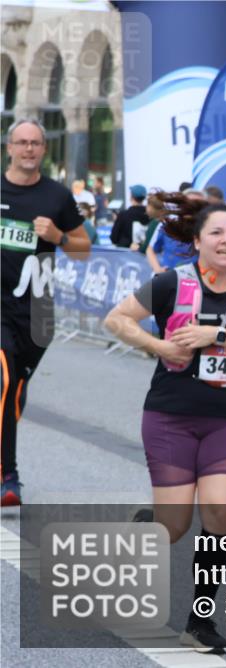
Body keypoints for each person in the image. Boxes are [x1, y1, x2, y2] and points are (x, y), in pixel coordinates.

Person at [103, 194, 226, 653]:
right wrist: (160, 346)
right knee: (174, 526)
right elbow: (116, 319)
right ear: (198, 241)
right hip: (171, 416)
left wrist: (215, 334)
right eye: (216, 232)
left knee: (219, 511)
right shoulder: (171, 282)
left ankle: (199, 622)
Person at [1, 119, 92, 505]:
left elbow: (83, 249)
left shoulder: (57, 196)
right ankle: (8, 477)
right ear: (9, 148)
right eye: (21, 142)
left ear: (43, 150)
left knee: (15, 392)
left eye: (35, 143)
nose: (28, 149)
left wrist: (58, 236)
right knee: (3, 382)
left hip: (38, 311)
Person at [146, 194, 197, 274]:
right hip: (170, 276)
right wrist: (158, 269)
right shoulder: (167, 223)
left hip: (195, 277)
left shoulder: (204, 226)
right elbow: (150, 249)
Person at [111, 184, 150, 248]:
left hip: (124, 251)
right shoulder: (150, 216)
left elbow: (114, 238)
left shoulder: (123, 215)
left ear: (131, 197)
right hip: (145, 252)